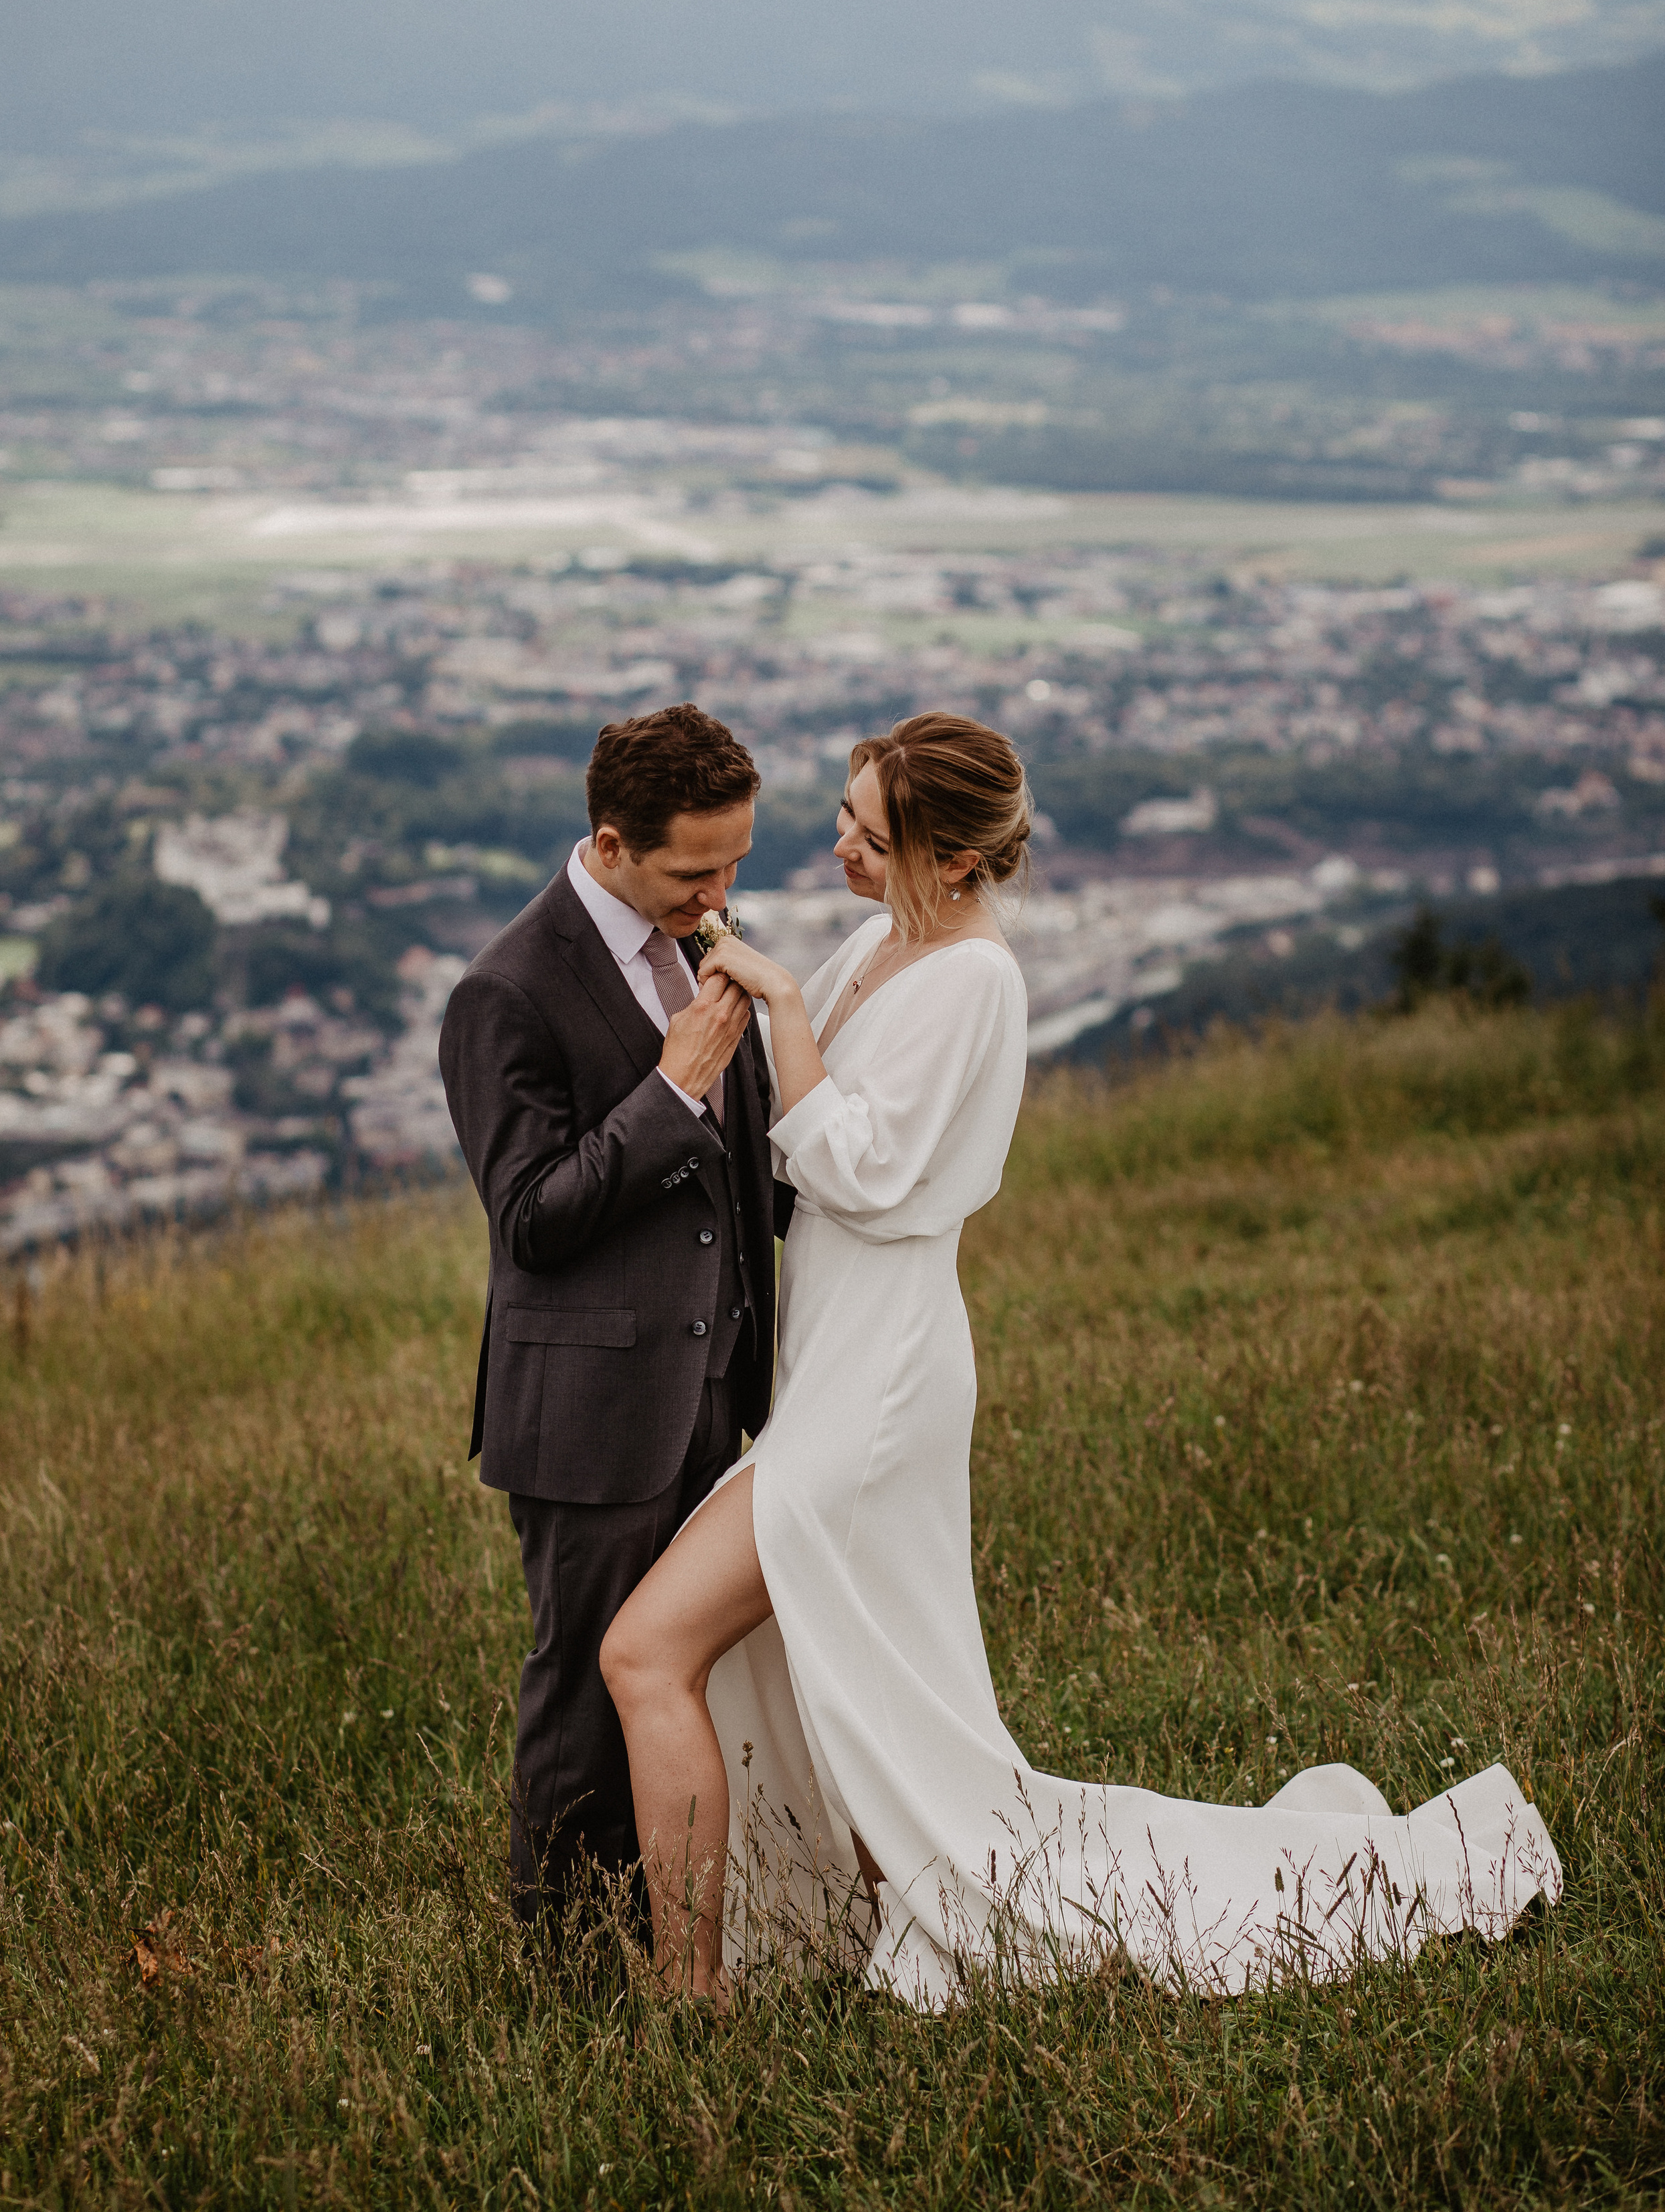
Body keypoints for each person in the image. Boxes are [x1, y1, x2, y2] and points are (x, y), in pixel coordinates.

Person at [600, 711, 1562, 2007]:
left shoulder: (973, 982)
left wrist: (774, 1000)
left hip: (880, 1375)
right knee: (865, 1672)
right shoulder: (879, 941)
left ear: (948, 861)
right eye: (842, 817)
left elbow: (864, 1167)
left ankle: (691, 1995)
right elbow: (776, 1116)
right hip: (829, 1358)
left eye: (865, 833)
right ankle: (871, 1917)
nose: (833, 845)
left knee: (648, 1645)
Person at [438, 701, 788, 1930]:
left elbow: (742, 1166)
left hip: (716, 1389)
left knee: (681, 1680)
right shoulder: (506, 991)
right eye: (696, 871)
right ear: (610, 841)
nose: (721, 892)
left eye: (737, 861)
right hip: (589, 1414)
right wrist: (671, 1086)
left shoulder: (697, 935)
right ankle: (569, 1975)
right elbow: (529, 1218)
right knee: (585, 1699)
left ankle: (683, 1932)